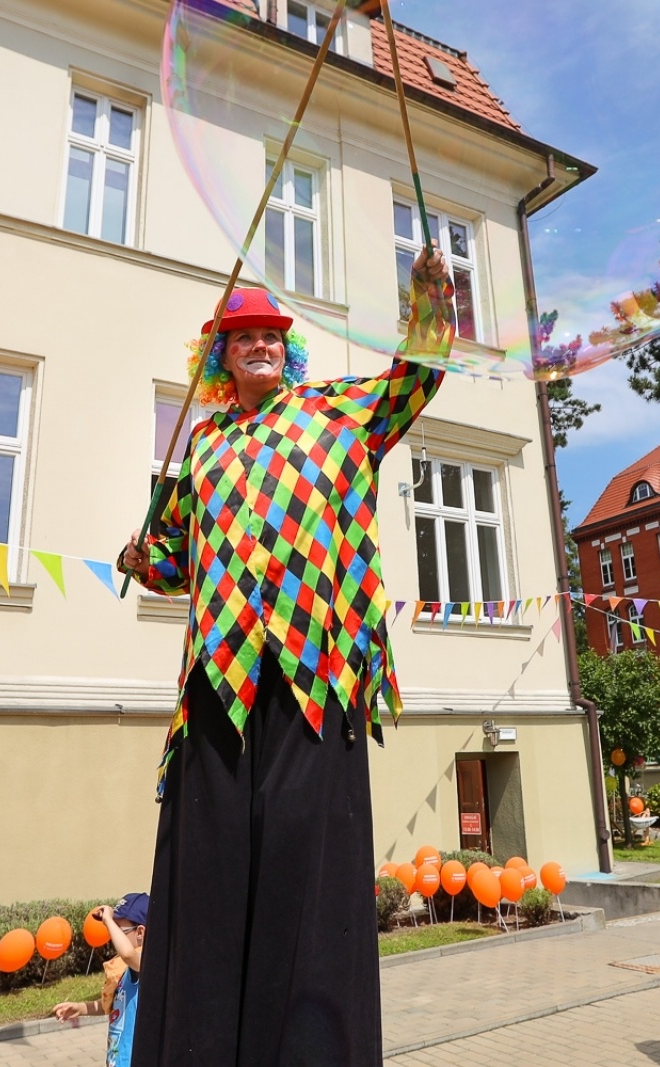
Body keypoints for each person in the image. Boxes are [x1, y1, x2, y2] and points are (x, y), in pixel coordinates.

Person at [118, 245, 453, 1066]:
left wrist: (429, 306)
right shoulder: (201, 445)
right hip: (220, 677)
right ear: (220, 357)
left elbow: (415, 380)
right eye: (244, 337)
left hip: (313, 671)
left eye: (272, 334)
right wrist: (138, 558)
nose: (261, 344)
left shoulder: (336, 413)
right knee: (210, 877)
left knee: (305, 874)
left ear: (287, 349)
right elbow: (173, 559)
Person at [53, 894, 149, 1067]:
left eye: (118, 929)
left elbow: (128, 954)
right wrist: (81, 1008)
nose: (112, 935)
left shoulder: (146, 964)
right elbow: (114, 1004)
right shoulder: (123, 969)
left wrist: (109, 920)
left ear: (140, 932)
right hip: (116, 1061)